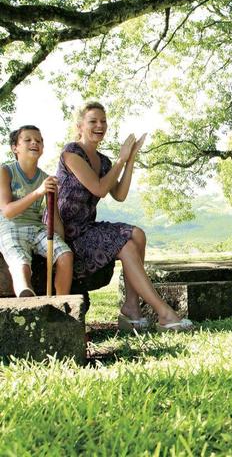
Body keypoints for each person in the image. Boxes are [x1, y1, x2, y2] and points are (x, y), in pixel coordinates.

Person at [56, 102, 193, 332]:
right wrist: (121, 159)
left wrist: (130, 159)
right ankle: (164, 313)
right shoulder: (71, 153)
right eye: (93, 121)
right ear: (80, 126)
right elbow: (99, 189)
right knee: (126, 245)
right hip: (68, 233)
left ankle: (131, 307)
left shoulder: (104, 161)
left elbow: (119, 194)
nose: (100, 125)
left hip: (87, 227)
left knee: (137, 235)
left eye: (103, 121)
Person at [0, 126, 74, 296]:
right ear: (15, 148)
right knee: (20, 262)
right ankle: (25, 294)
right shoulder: (5, 172)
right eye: (28, 140)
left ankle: (62, 303)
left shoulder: (45, 178)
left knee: (66, 256)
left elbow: (54, 217)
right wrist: (38, 192)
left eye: (39, 140)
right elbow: (7, 212)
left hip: (37, 228)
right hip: (10, 226)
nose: (35, 142)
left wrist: (60, 242)